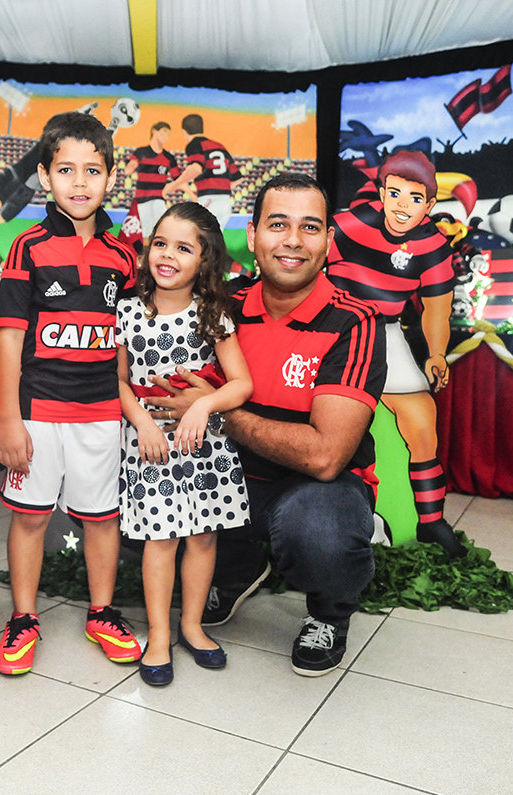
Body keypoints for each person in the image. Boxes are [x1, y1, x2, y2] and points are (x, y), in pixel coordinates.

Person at [145, 172, 386, 676]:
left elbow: (324, 456)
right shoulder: (218, 304)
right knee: (137, 498)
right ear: (252, 236)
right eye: (278, 225)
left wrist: (217, 408)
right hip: (223, 477)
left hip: (311, 490)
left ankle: (329, 612)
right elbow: (163, 379)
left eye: (310, 227)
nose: (293, 241)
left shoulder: (355, 320)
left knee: (318, 530)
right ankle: (236, 570)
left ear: (329, 241)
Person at [0, 112, 141, 676]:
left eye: (93, 171)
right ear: (46, 178)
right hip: (39, 413)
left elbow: (124, 342)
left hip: (102, 412)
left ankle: (102, 612)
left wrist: (129, 409)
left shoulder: (123, 255)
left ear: (109, 179)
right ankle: (24, 618)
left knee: (101, 518)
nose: (80, 182)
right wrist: (10, 420)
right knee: (30, 519)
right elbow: (8, 342)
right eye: (66, 170)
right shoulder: (26, 248)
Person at [116, 203, 254, 686]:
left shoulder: (212, 312)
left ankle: (192, 625)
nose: (167, 255)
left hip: (205, 449)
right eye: (160, 243)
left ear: (205, 260)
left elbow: (241, 385)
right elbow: (117, 383)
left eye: (183, 247)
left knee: (202, 537)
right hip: (150, 446)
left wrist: (204, 405)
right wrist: (142, 424)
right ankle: (158, 634)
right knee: (161, 540)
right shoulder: (128, 310)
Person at [325, 150, 464, 557]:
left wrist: (437, 353)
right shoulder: (347, 225)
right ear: (381, 193)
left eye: (415, 198)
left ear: (430, 205)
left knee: (422, 416)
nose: (403, 205)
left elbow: (437, 306)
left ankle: (431, 520)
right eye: (396, 193)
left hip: (385, 331)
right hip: (336, 328)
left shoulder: (433, 244)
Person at [162, 114, 240, 230]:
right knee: (214, 240)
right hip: (225, 202)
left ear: (184, 132)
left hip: (209, 199)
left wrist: (172, 185)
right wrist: (221, 188)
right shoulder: (219, 146)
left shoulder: (194, 144)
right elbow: (238, 178)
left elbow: (196, 168)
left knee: (196, 235)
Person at [123, 121, 181, 245]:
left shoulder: (169, 158)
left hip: (158, 199)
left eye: (168, 134)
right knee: (146, 235)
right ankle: (146, 259)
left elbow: (178, 179)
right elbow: (128, 170)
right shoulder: (141, 152)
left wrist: (192, 194)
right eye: (164, 132)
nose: (166, 136)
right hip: (142, 200)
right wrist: (131, 166)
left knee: (163, 230)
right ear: (154, 131)